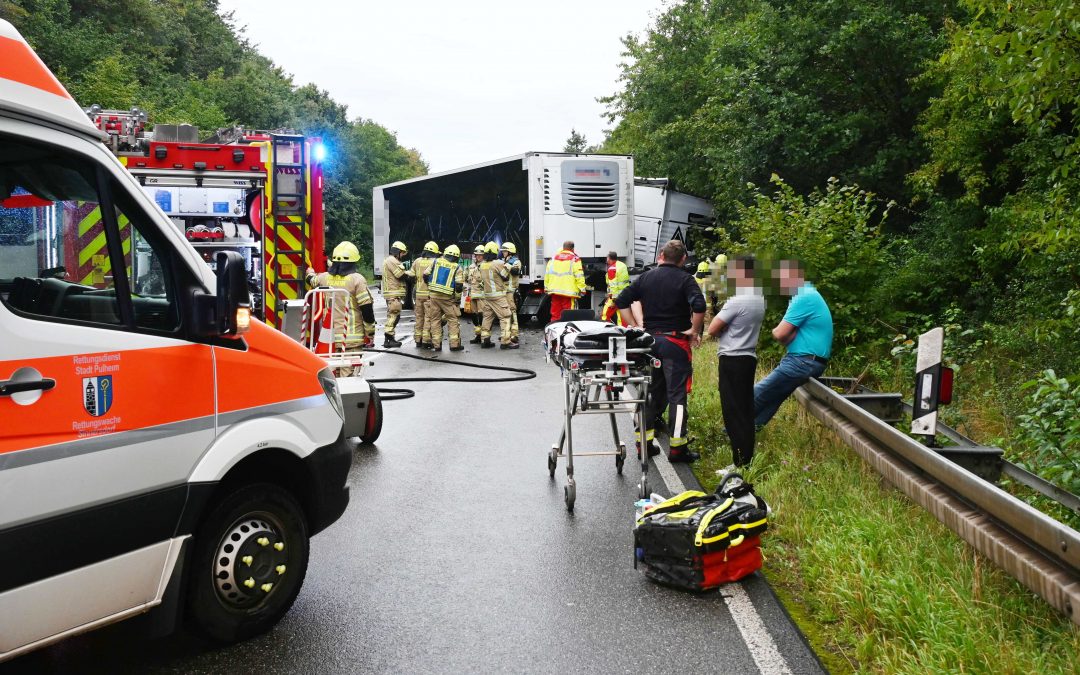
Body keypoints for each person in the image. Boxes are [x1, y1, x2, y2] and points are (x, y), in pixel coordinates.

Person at [616, 239, 706, 463]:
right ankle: (677, 448)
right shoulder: (686, 280)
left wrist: (635, 327)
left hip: (648, 344)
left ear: (661, 256)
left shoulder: (646, 277)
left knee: (648, 394)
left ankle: (643, 445)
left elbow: (621, 300)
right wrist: (694, 330)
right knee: (677, 396)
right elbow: (700, 306)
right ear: (683, 259)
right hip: (675, 344)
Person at [753, 259, 833, 428]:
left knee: (756, 394)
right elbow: (786, 335)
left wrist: (780, 333)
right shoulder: (808, 294)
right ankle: (748, 432)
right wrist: (787, 334)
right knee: (771, 399)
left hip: (802, 361)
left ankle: (728, 432)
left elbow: (780, 333)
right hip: (808, 361)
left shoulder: (804, 297)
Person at [708, 256, 765, 468]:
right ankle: (745, 459)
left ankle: (740, 463)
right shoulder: (758, 297)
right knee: (745, 410)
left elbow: (713, 328)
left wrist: (723, 328)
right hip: (747, 357)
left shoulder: (738, 300)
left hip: (733, 358)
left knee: (733, 411)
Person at [306, 240, 375, 375]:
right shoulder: (357, 280)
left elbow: (312, 280)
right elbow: (366, 309)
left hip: (329, 338)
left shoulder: (324, 278)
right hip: (351, 341)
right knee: (348, 380)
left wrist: (310, 272)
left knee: (333, 378)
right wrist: (370, 333)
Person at [424, 244, 465, 352]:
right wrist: (457, 300)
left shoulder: (436, 261)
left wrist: (430, 288)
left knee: (435, 320)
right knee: (452, 320)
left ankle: (437, 345)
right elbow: (459, 286)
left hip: (434, 296)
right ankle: (454, 345)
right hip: (447, 299)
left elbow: (425, 275)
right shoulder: (457, 267)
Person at [476, 241, 517, 349]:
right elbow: (505, 276)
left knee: (487, 317)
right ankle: (506, 342)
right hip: (498, 296)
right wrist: (507, 266)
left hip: (487, 296)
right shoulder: (498, 263)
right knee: (506, 317)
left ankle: (485, 340)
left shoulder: (482, 265)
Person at [381, 240, 414, 347]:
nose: (403, 255)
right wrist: (410, 275)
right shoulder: (392, 260)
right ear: (397, 252)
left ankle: (389, 339)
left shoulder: (390, 260)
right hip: (393, 293)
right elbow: (400, 275)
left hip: (392, 293)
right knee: (394, 316)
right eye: (402, 253)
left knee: (393, 315)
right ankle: (389, 339)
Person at [544, 240, 586, 322]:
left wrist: (546, 287)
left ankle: (554, 330)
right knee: (568, 315)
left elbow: (547, 274)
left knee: (555, 314)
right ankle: (567, 332)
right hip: (568, 292)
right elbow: (579, 275)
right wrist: (582, 289)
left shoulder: (553, 259)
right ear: (573, 249)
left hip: (554, 291)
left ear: (563, 248)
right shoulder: (575, 259)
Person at [412, 241, 440, 349]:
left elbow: (411, 274)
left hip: (419, 294)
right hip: (429, 295)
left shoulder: (417, 261)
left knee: (419, 318)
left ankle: (418, 340)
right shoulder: (435, 262)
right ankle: (426, 340)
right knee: (429, 318)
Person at [501, 242, 522, 344]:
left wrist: (507, 266)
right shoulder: (503, 261)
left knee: (512, 313)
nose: (503, 253)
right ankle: (506, 334)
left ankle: (514, 335)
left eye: (505, 251)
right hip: (503, 291)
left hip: (511, 291)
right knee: (504, 313)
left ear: (510, 252)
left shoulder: (516, 261)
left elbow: (515, 271)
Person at [601, 251, 630, 324]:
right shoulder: (622, 265)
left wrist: (613, 299)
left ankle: (604, 329)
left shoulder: (612, 269)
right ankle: (623, 331)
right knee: (621, 315)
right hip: (625, 294)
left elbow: (613, 285)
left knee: (605, 314)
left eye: (607, 257)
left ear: (609, 258)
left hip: (616, 296)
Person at [467, 244, 485, 343]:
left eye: (480, 255)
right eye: (476, 254)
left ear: (483, 256)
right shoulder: (471, 266)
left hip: (482, 296)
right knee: (474, 316)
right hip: (472, 294)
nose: (478, 256)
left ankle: (484, 336)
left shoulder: (485, 266)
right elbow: (467, 278)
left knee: (482, 316)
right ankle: (477, 335)